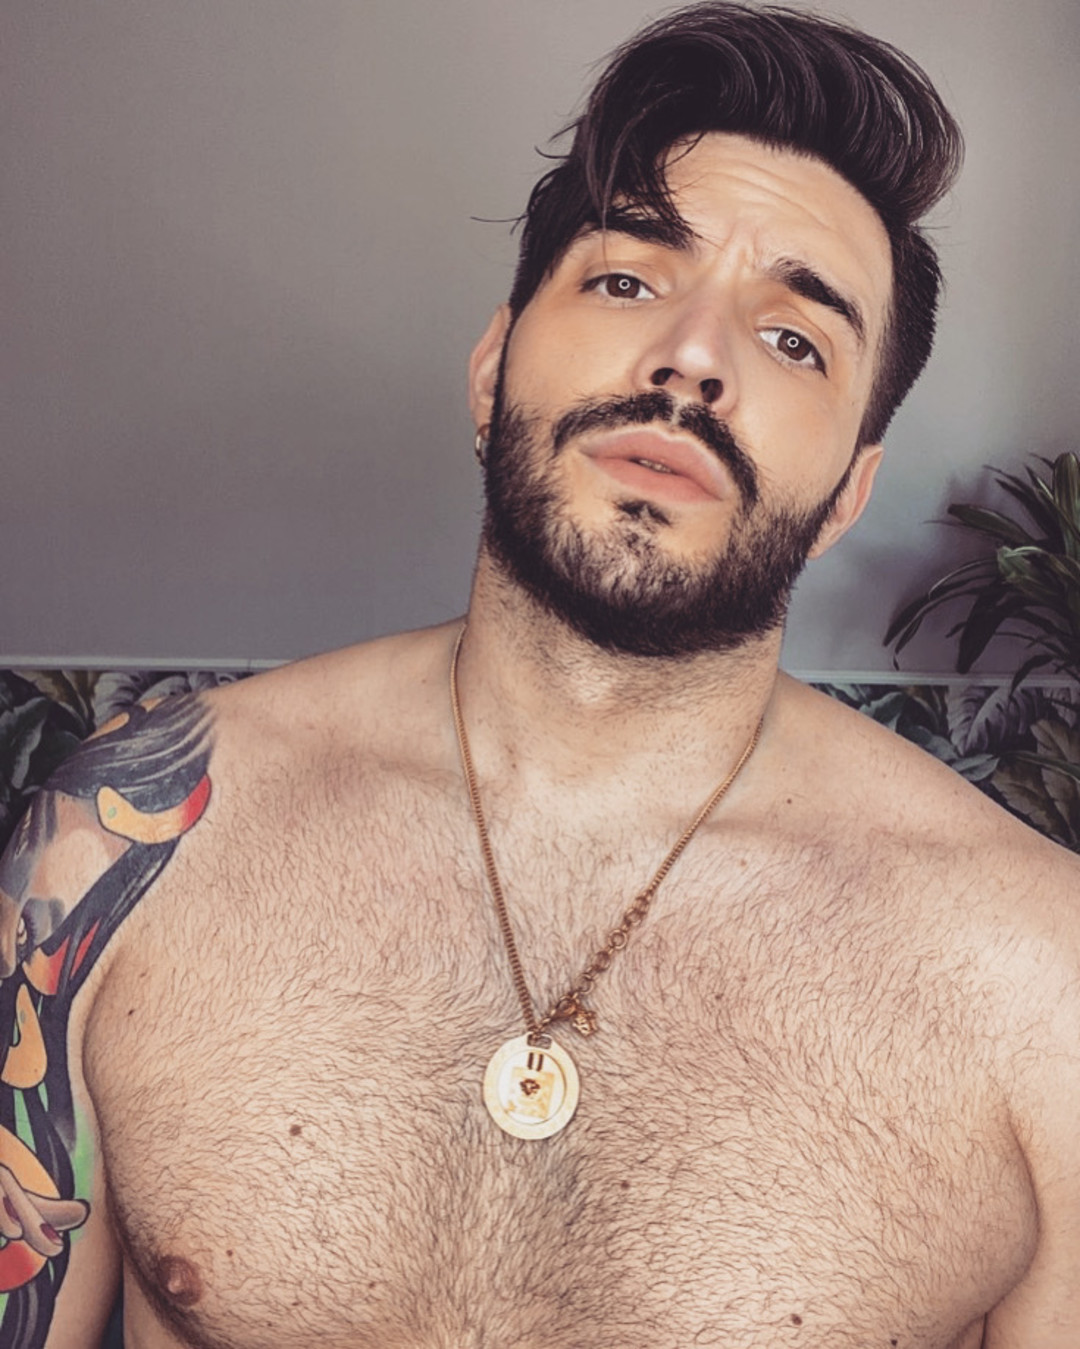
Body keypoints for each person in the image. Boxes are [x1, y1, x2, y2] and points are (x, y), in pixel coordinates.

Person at [2, 3, 1079, 1345]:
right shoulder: (119, 847)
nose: (694, 357)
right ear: (490, 368)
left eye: (795, 338)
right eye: (628, 280)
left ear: (849, 493)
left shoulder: (1044, 982)